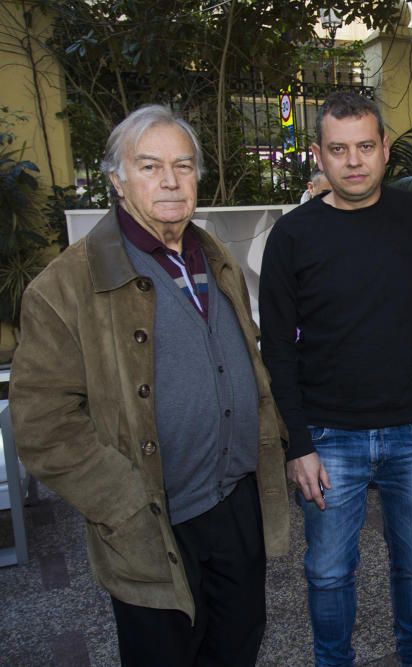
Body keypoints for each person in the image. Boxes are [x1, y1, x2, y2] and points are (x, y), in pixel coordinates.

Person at [9, 104, 289, 666]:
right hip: (151, 521)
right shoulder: (64, 287)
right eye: (150, 166)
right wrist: (125, 501)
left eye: (183, 166)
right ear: (116, 178)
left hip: (235, 505)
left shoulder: (213, 256)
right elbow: (43, 425)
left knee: (237, 644)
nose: (170, 180)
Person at [260, 92, 412, 667]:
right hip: (329, 435)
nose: (355, 161)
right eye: (339, 150)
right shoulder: (292, 237)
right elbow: (277, 354)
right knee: (329, 571)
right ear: (318, 154)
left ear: (386, 150)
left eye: (366, 146)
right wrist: (298, 444)